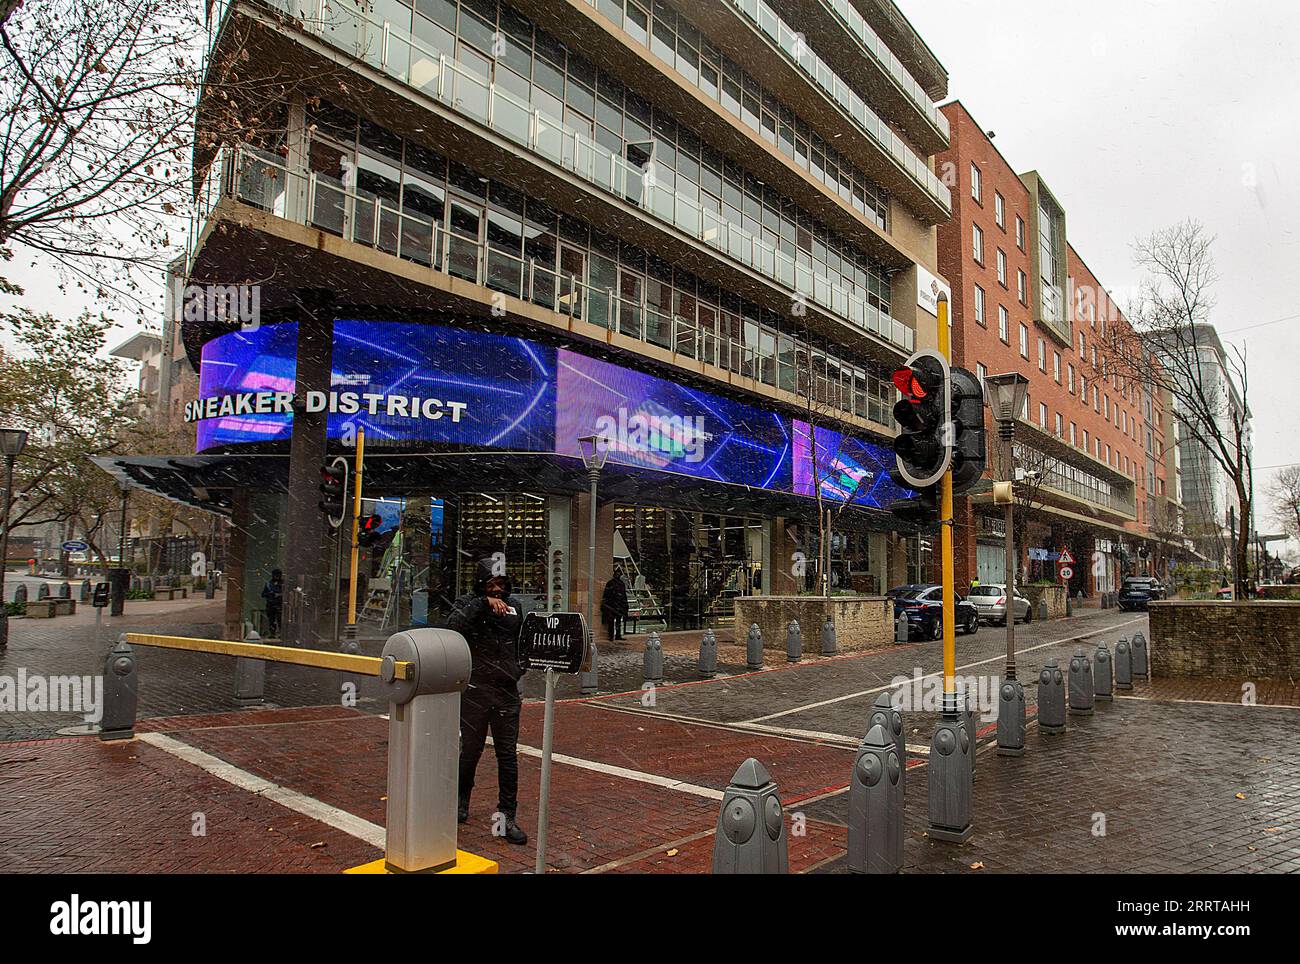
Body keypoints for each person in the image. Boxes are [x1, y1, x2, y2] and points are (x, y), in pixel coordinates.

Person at [448, 561, 528, 845]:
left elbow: (524, 641)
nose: (497, 589)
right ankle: (460, 800)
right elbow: (453, 626)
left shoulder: (515, 607)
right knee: (470, 751)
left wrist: (519, 668)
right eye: (491, 584)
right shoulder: (470, 604)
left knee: (507, 756)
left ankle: (507, 816)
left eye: (501, 584)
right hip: (475, 691)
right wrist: (483, 604)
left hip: (506, 691)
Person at [601, 568, 629, 641]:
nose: (618, 575)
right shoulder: (612, 583)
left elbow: (623, 595)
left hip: (617, 605)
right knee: (612, 621)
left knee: (617, 621)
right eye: (617, 573)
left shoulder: (620, 584)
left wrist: (624, 605)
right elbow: (607, 594)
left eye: (619, 574)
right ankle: (612, 635)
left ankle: (617, 635)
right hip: (613, 605)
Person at [261, 569, 283, 636]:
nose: (277, 577)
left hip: (279, 604)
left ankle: (279, 633)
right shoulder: (269, 584)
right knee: (272, 620)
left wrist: (279, 595)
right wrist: (270, 594)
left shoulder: (282, 584)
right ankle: (272, 633)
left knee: (279, 620)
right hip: (271, 604)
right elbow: (263, 594)